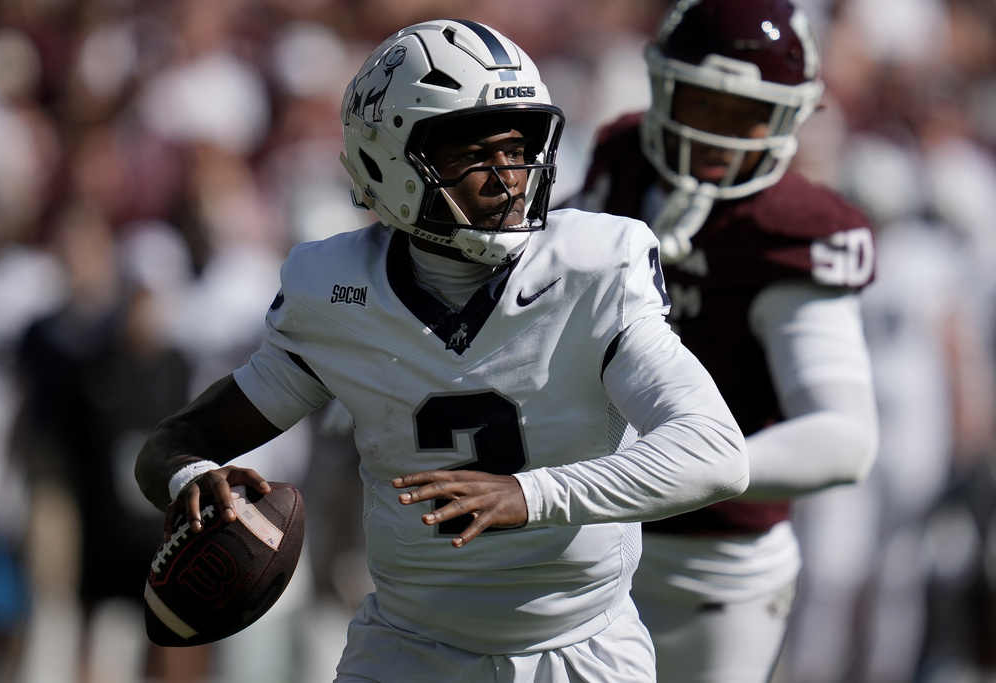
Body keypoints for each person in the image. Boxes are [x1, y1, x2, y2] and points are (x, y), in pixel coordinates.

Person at [135, 19, 749, 683]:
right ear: (385, 161)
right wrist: (192, 479)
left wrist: (531, 493)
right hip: (407, 647)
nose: (508, 178)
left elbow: (715, 452)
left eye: (517, 149)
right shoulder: (338, 290)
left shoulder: (592, 268)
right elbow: (177, 441)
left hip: (579, 646)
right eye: (471, 154)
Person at [566, 1, 879, 681]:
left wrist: (675, 467)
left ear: (793, 116)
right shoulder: (623, 157)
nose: (722, 137)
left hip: (707, 562)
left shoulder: (793, 229)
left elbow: (845, 437)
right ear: (662, 85)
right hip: (580, 537)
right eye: (705, 104)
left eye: (749, 115)